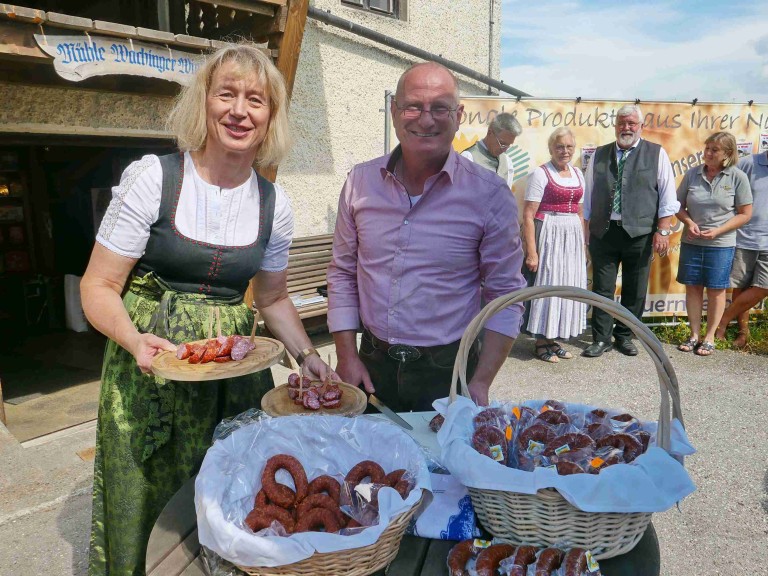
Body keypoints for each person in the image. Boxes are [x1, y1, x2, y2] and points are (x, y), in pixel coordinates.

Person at [81, 43, 333, 575]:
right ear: (204, 103)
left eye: (256, 100)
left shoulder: (273, 203)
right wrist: (134, 340)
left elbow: (272, 297)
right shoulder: (155, 178)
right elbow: (99, 286)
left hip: (233, 378)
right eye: (227, 94)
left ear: (270, 118)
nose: (240, 111)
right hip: (152, 373)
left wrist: (306, 354)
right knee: (144, 502)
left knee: (232, 499)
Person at [327, 62, 526, 409]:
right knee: (370, 462)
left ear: (459, 114)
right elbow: (343, 273)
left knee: (441, 463)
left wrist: (480, 382)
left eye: (440, 108)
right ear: (394, 111)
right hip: (372, 364)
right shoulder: (359, 183)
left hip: (448, 370)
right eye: (413, 106)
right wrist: (346, 356)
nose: (425, 119)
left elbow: (505, 295)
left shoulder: (489, 195)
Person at [583, 104, 680, 357]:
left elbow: (668, 196)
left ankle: (625, 336)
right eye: (621, 123)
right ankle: (601, 339)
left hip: (640, 234)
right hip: (604, 232)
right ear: (615, 126)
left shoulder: (656, 154)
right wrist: (586, 229)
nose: (626, 127)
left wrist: (663, 230)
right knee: (602, 288)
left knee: (635, 288)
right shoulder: (599, 154)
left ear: (640, 126)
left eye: (631, 123)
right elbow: (589, 196)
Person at [675, 132, 752, 356]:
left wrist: (718, 230)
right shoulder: (692, 174)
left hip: (721, 244)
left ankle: (710, 338)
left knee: (717, 290)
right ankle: (694, 335)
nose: (708, 153)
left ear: (727, 154)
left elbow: (745, 214)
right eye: (707, 148)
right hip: (691, 241)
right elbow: (677, 206)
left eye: (714, 150)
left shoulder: (737, 177)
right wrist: (688, 222)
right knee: (693, 287)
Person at [521, 127, 587, 362]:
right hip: (548, 232)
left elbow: (580, 212)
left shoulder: (578, 174)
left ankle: (553, 338)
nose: (564, 151)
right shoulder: (540, 174)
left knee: (565, 284)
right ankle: (540, 341)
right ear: (551, 149)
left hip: (571, 236)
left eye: (569, 146)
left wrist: (583, 246)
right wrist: (531, 252)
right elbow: (528, 214)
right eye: (559, 146)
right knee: (547, 283)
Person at [714, 151, 768, 348]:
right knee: (741, 287)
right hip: (744, 237)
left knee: (763, 287)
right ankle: (742, 333)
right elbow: (728, 190)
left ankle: (722, 321)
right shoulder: (748, 163)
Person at [461, 112, 522, 187]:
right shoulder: (468, 157)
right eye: (502, 144)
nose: (505, 150)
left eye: (508, 145)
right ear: (490, 132)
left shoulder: (507, 161)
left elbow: (507, 194)